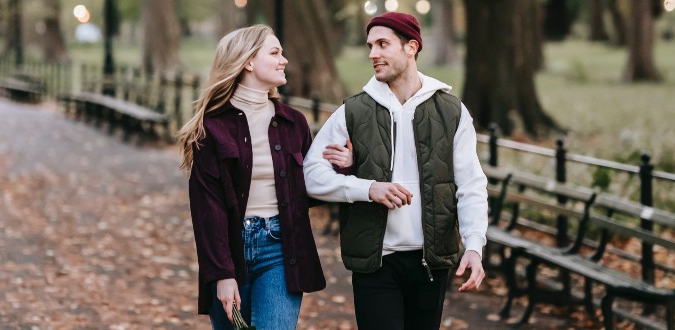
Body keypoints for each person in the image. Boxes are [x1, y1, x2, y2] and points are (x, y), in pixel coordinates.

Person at [304, 12, 488, 329]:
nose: (373, 53)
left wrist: (474, 245)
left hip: (430, 262)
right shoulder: (353, 111)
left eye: (382, 44)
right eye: (370, 45)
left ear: (411, 47)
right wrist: (367, 189)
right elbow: (311, 177)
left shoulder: (451, 111)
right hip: (375, 262)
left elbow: (470, 185)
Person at [177, 25, 325, 330]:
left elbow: (310, 188)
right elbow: (208, 210)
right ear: (248, 62)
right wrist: (222, 274)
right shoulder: (212, 127)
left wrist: (344, 166)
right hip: (231, 248)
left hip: (281, 248)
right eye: (275, 52)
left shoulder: (293, 122)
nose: (284, 60)